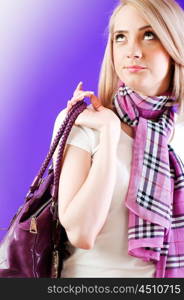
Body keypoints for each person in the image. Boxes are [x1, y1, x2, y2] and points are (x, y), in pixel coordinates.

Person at [51, 0, 184, 278]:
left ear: (175, 46)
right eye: (120, 38)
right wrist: (110, 133)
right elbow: (81, 233)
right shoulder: (85, 124)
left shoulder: (180, 134)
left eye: (149, 35)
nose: (132, 51)